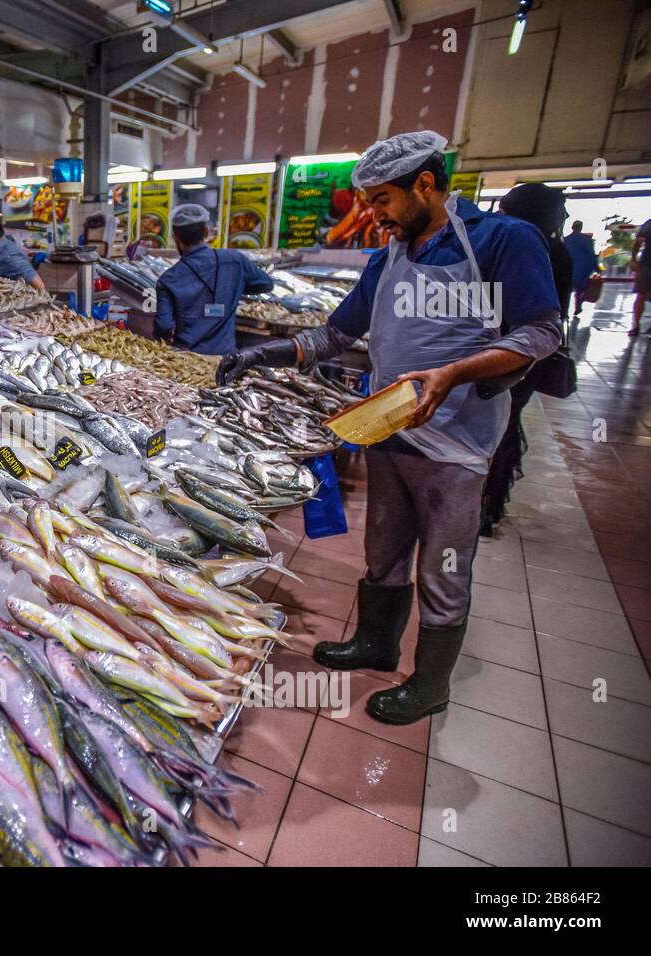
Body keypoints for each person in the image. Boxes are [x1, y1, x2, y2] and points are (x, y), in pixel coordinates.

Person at [217, 130, 560, 726]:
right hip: (386, 425)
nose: (373, 215)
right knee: (383, 551)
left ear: (425, 184)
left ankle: (430, 685)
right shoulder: (389, 258)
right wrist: (263, 355)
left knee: (443, 566)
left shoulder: (503, 240)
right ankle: (376, 642)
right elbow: (335, 335)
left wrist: (452, 374)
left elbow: (540, 333)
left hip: (457, 440)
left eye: (381, 201)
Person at [481, 183, 572, 536]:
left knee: (499, 423)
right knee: (502, 421)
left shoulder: (521, 247)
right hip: (517, 354)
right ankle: (488, 503)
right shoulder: (556, 251)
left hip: (513, 354)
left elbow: (544, 320)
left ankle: (485, 504)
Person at [155, 204, 273, 355]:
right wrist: (234, 287)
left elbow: (164, 327)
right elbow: (266, 284)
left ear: (175, 236)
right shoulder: (234, 260)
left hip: (186, 360)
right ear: (206, 232)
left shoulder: (168, 279)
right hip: (226, 357)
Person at [563, 221, 600, 318]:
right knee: (581, 289)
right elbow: (591, 255)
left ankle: (565, 311)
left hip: (568, 268)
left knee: (567, 290)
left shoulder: (566, 239)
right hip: (583, 268)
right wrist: (597, 267)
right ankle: (578, 306)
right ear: (581, 228)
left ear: (572, 227)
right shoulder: (586, 240)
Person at [632, 217, 651, 335]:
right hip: (646, 264)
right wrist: (634, 259)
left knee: (641, 296)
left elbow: (637, 243)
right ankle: (636, 326)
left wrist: (634, 259)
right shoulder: (648, 224)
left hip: (646, 264)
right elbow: (638, 243)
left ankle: (636, 327)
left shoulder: (648, 224)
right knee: (641, 296)